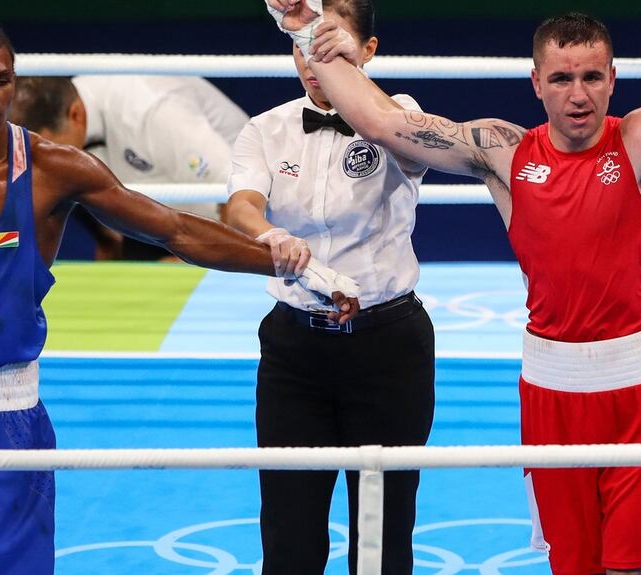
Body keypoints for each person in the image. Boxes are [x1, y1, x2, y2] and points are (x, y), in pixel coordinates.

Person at [0, 18, 358, 575]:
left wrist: (295, 265)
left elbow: (176, 230)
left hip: (2, 419)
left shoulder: (53, 170)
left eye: (1, 80)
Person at [266, 0, 641, 573]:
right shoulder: (503, 152)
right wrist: (306, 29)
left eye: (590, 77)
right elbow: (382, 121)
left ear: (612, 79)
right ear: (537, 83)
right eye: (560, 78)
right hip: (551, 390)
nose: (577, 94)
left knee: (631, 566)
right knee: (573, 565)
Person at [227, 1, 435, 573]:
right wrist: (269, 233)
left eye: (329, 42)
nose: (314, 60)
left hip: (387, 347)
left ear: (367, 51)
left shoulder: (400, 114)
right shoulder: (265, 129)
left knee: (383, 539)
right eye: (303, 46)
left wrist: (351, 83)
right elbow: (240, 204)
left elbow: (397, 131)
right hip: (295, 351)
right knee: (289, 538)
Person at [10, 75, 249, 260]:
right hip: (159, 231)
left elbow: (237, 191)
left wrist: (196, 264)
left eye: (48, 148)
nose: (44, 161)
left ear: (75, 115)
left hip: (234, 224)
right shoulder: (66, 110)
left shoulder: (151, 112)